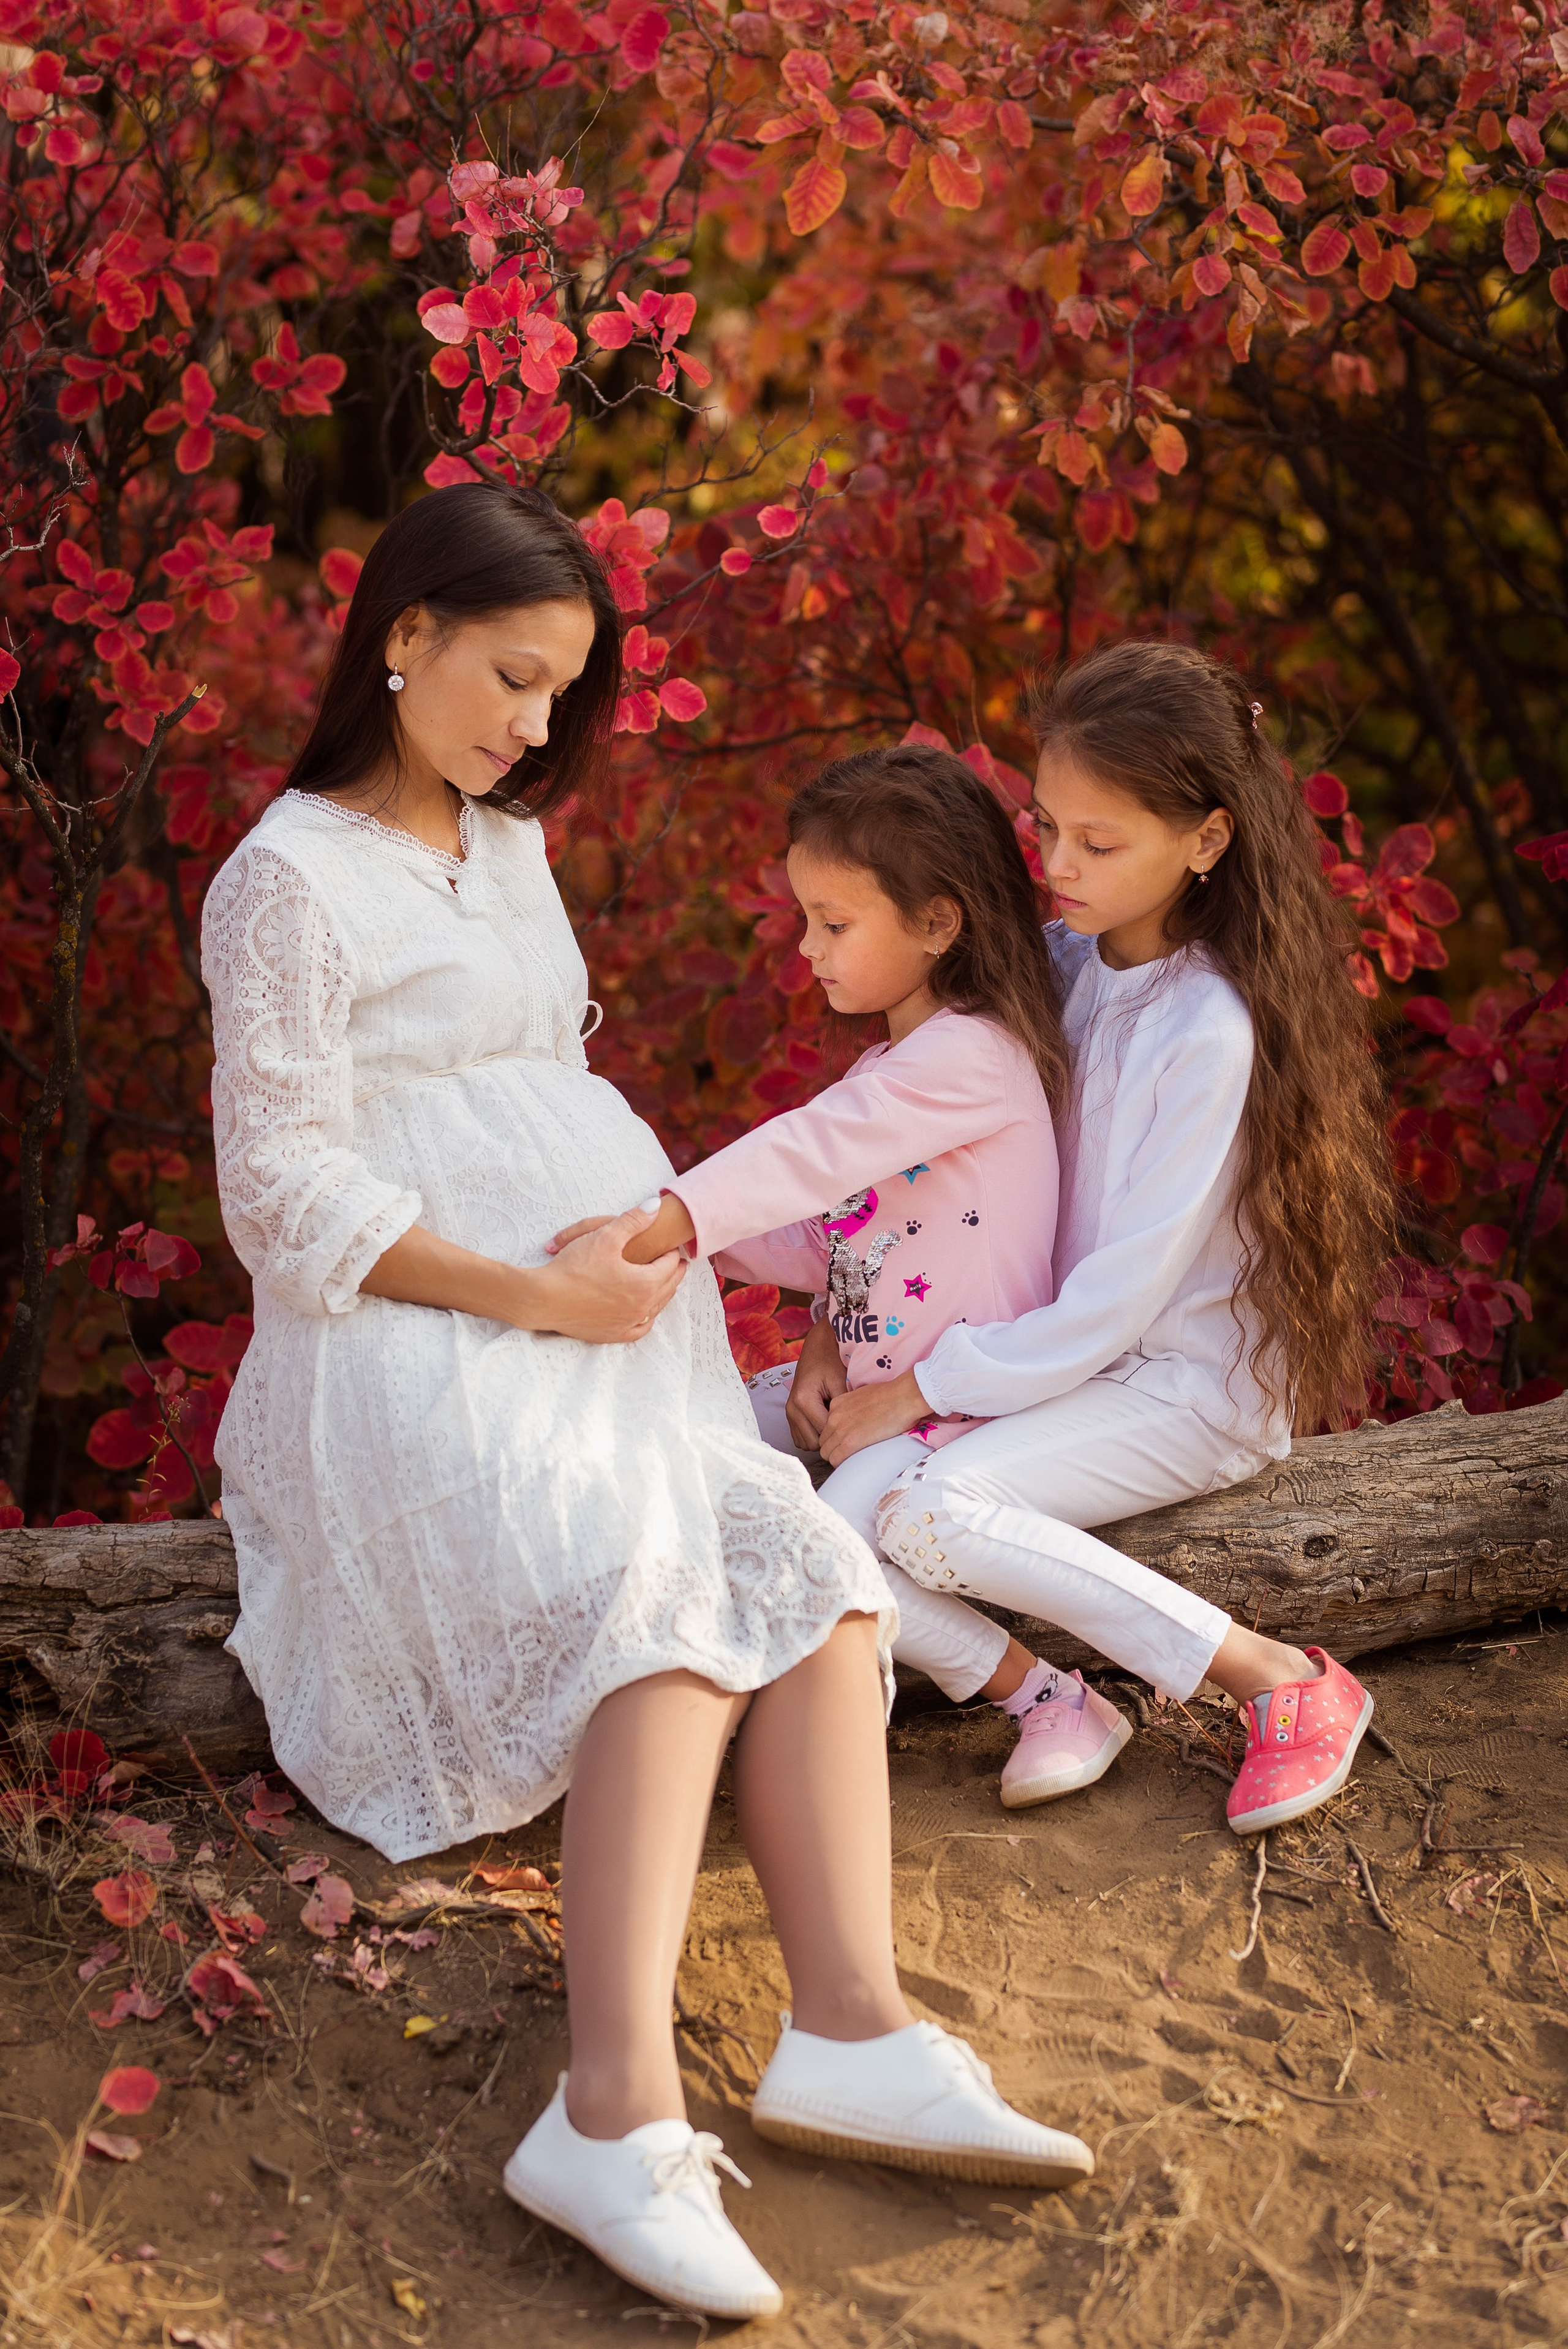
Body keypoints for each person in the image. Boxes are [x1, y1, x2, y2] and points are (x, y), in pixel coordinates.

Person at [201, 483, 1091, 2324]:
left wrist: (673, 1272)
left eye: (563, 694)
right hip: (411, 1334)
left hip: (599, 1313)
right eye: (514, 680)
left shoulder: (504, 840)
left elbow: (545, 1082)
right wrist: (538, 1287)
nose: (538, 729)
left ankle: (848, 2021)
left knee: (812, 1573)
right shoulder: (282, 880)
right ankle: (607, 2114)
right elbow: (281, 1196)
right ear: (402, 637)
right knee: (656, 1593)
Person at [778, 642, 1393, 1836]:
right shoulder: (1051, 966)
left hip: (1173, 1382)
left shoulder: (1206, 1030)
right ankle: (1051, 1701)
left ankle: (1280, 1678)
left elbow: (1116, 1300)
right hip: (1025, 1348)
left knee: (925, 1516)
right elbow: (918, 1177)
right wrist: (831, 1325)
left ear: (1204, 840)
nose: (1053, 866)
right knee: (811, 1478)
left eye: (1096, 844)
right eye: (1044, 827)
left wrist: (913, 1392)